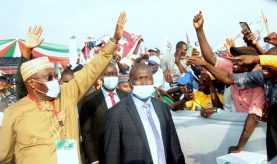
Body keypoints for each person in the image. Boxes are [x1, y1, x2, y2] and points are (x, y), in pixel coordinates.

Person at [0, 12, 127, 164]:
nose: (55, 81)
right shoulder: (14, 112)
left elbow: (91, 69)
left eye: (54, 75)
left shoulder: (66, 94)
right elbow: (4, 157)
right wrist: (26, 52)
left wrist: (114, 40)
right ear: (33, 84)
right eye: (48, 78)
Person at [189, 11, 266, 154]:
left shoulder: (258, 87)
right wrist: (199, 30)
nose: (233, 60)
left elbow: (254, 117)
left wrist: (239, 148)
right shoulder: (233, 68)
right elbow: (210, 57)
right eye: (234, 57)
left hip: (254, 138)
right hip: (234, 133)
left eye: (238, 58)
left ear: (249, 64)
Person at [103, 63, 185, 164]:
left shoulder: (162, 107)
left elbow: (174, 145)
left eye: (148, 78)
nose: (144, 82)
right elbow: (112, 156)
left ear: (153, 80)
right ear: (130, 82)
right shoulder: (116, 113)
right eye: (139, 78)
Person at [79, 63, 129, 164]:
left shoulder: (127, 97)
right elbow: (87, 133)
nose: (111, 77)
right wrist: (93, 159)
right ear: (101, 76)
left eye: (114, 74)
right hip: (101, 154)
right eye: (107, 74)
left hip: (126, 153)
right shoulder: (90, 100)